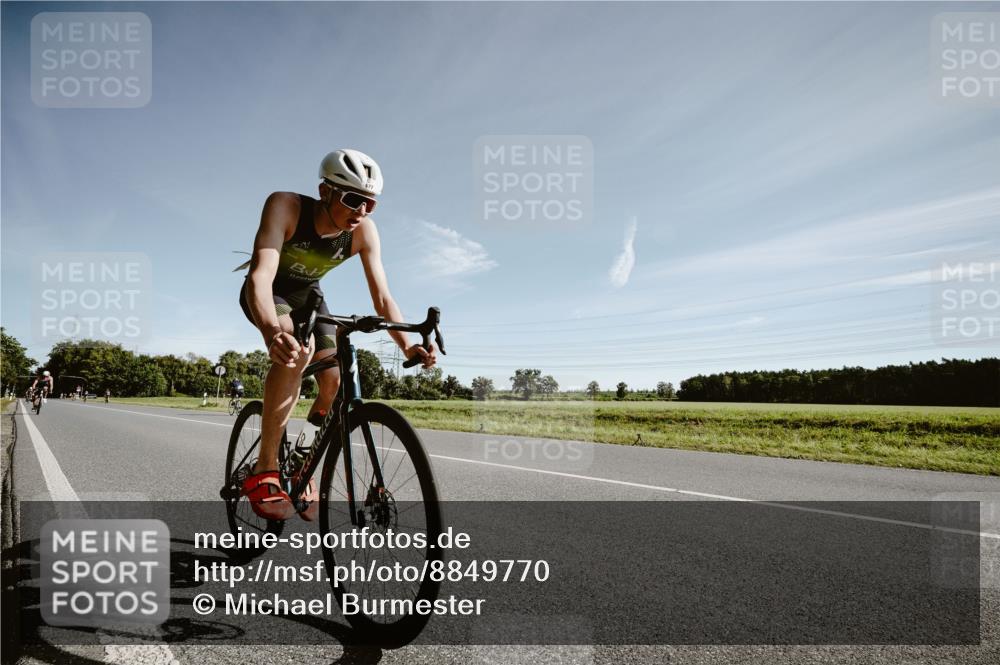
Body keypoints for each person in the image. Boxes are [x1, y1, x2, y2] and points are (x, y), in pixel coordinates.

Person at [237, 149, 436, 521]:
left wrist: (408, 346)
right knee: (298, 349)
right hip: (270, 294)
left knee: (333, 381)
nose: (361, 211)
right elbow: (260, 276)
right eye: (353, 199)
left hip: (310, 299)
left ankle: (301, 463)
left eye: (370, 204)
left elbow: (382, 297)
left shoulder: (363, 232)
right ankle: (265, 468)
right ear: (325, 191)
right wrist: (271, 332)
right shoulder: (286, 206)